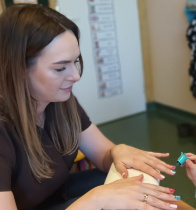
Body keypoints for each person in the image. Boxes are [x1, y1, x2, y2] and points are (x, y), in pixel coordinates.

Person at [0, 4, 179, 210]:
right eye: (60, 68)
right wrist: (97, 199)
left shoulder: (60, 103)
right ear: (17, 68)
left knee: (135, 179)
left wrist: (117, 151)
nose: (75, 76)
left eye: (75, 62)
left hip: (58, 194)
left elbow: (104, 156)